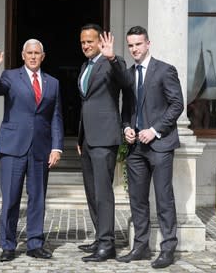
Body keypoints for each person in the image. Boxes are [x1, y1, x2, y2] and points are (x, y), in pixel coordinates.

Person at [0, 40, 64, 262]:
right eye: (29, 53)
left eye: (36, 53)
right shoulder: (10, 76)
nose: (32, 56)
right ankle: (8, 245)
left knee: (37, 198)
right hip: (13, 146)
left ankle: (35, 244)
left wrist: (57, 147)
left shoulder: (53, 83)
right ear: (22, 55)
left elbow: (56, 117)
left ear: (43, 56)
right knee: (10, 198)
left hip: (41, 148)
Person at [117, 26, 184, 269]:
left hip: (161, 145)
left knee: (164, 198)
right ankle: (141, 246)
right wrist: (126, 127)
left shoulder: (165, 70)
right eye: (131, 45)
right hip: (135, 148)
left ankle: (168, 249)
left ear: (148, 44)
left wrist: (154, 130)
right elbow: (126, 110)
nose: (134, 49)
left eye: (138, 44)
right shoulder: (127, 74)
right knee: (137, 199)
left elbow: (177, 105)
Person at [77, 23, 133, 262]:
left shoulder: (112, 63)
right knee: (91, 192)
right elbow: (87, 102)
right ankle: (101, 237)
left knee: (103, 192)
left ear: (101, 41)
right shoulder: (85, 66)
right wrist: (81, 136)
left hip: (105, 138)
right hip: (88, 139)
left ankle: (107, 244)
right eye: (82, 42)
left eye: (90, 41)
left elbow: (126, 81)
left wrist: (111, 58)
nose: (86, 45)